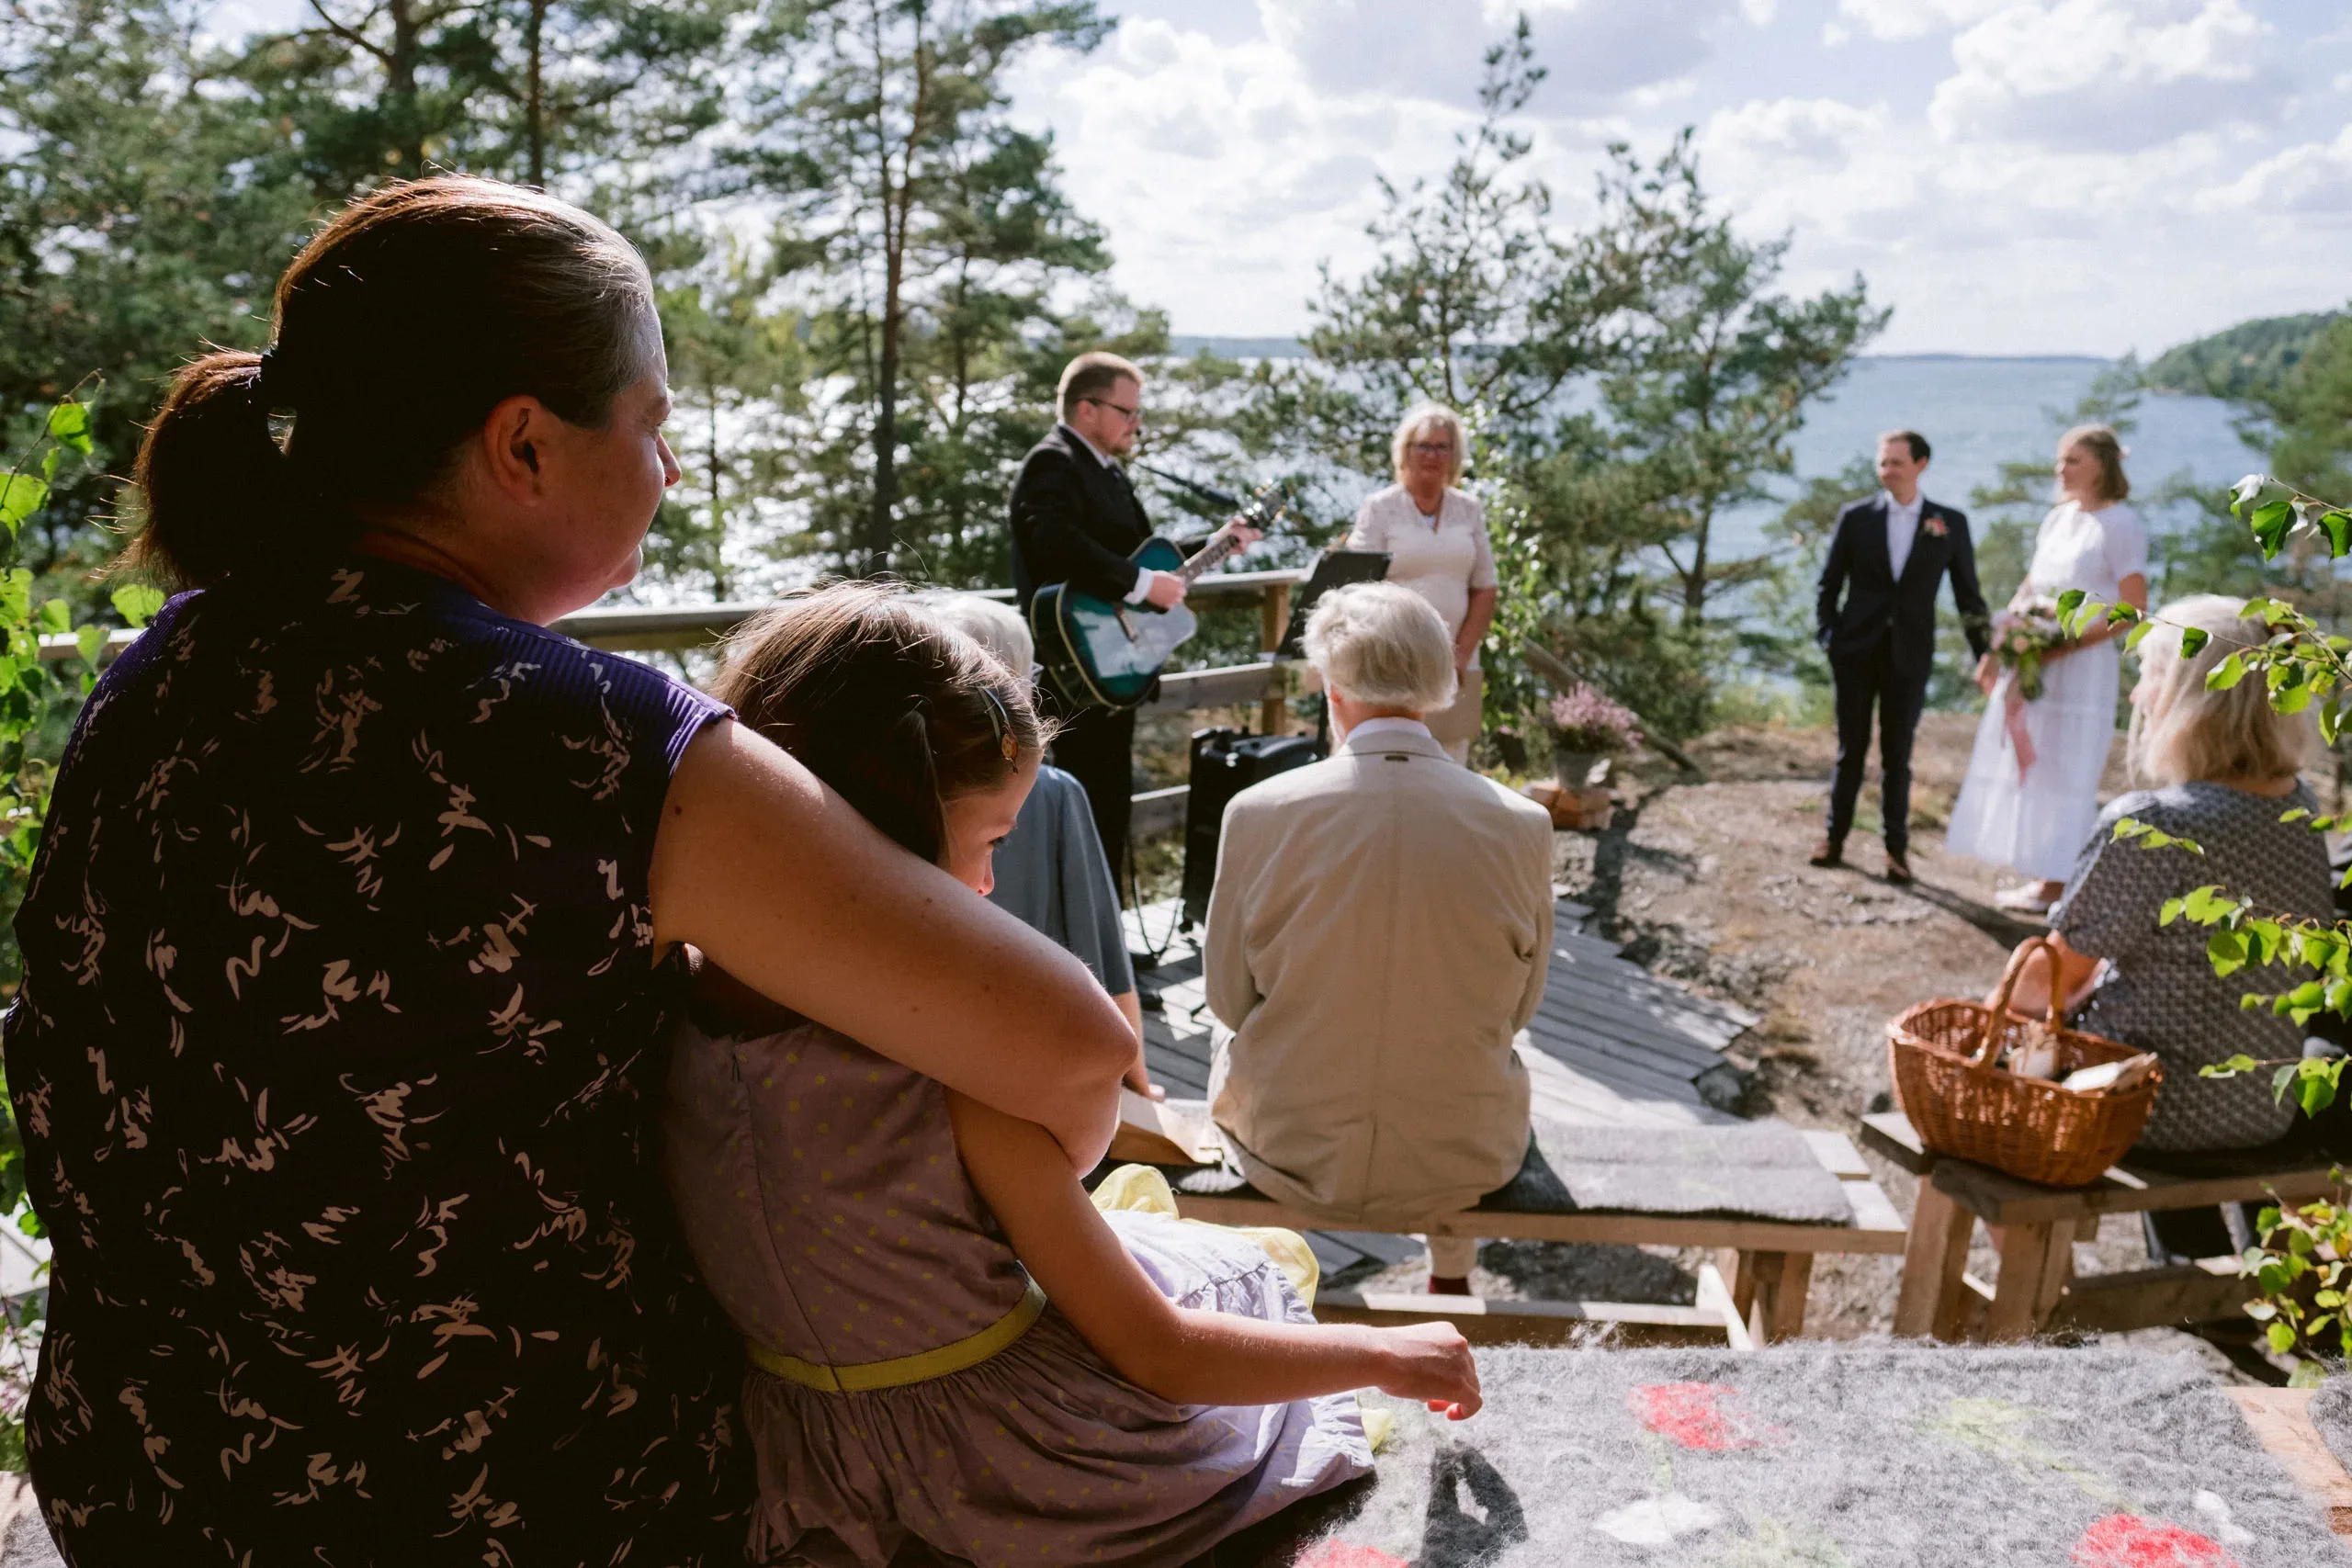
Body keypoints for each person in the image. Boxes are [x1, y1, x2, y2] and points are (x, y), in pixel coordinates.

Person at [0, 177, 1138, 1565]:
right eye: (653, 425)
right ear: (524, 445)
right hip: (507, 1513)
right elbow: (1077, 1051)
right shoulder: (597, 744)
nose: (673, 471)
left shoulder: (160, 670)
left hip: (151, 1488)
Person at [662, 583, 1479, 1567]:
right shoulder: (945, 1068)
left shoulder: (679, 1012)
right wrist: (1392, 1353)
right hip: (1017, 1465)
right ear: (889, 839)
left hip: (817, 1461)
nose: (986, 883)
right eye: (990, 840)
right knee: (1245, 1274)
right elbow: (1161, 1352)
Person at [1204, 583, 1555, 1297]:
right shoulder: (1522, 823)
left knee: (1243, 1037)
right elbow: (1522, 1007)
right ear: (1438, 685)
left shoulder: (1258, 811)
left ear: (1332, 686)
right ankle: (1450, 1278)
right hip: (1463, 1152)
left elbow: (1228, 999)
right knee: (1468, 1036)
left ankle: (1273, 1287)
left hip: (1290, 1148)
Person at [1985, 597, 2338, 1251]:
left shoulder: (2154, 822)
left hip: (2151, 1110)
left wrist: (1980, 1027)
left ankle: (2036, 1300)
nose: (2137, 694)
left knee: (1983, 1108)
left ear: (2191, 698)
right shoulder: (2300, 806)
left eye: (2151, 675)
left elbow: (2049, 983)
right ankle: (2203, 1282)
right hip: (2264, 1106)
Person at [926, 592, 1157, 1097]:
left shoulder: (907, 790)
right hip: (1035, 1058)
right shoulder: (1054, 793)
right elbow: (1102, 946)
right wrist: (1140, 1081)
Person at [1945, 424, 2150, 912]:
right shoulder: (2058, 518)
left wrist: (2062, 645)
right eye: (2060, 459)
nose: (2060, 469)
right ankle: (2039, 871)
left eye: (2072, 460)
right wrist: (2003, 644)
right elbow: (2031, 587)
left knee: (2065, 769)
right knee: (2029, 762)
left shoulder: (2121, 524)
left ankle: (2059, 884)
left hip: (2082, 667)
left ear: (2101, 465)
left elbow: (2133, 610)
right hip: (2034, 661)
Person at [1812, 429, 1991, 885]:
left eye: (1896, 462)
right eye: (1882, 463)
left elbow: (1969, 596)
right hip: (1854, 651)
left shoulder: (1949, 523)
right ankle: (1834, 838)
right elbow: (1828, 584)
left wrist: (1985, 655)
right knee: (1850, 751)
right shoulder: (1856, 517)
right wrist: (1828, 637)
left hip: (1909, 655)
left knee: (1898, 756)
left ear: (1921, 465)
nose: (1887, 471)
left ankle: (1896, 851)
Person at [1343, 403, 1498, 764]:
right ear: (1406, 450)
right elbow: (1358, 586)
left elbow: (1485, 587)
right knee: (1388, 757)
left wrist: (1460, 654)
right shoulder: (1380, 507)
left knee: (1450, 760)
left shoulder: (1469, 509)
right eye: (1424, 445)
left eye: (1442, 447)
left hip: (1455, 662)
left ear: (1454, 455)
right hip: (1392, 659)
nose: (1433, 455)